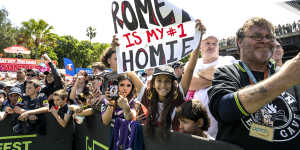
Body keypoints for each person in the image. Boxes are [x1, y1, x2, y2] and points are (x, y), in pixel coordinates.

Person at [208, 17, 300, 150]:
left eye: (269, 36)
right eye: (257, 36)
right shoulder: (227, 72)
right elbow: (225, 110)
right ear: (239, 42)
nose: (265, 40)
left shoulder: (288, 75)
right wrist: (284, 79)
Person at [127, 19, 206, 138]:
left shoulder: (178, 95)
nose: (163, 85)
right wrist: (119, 50)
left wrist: (198, 38)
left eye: (167, 81)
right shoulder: (146, 95)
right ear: (153, 83)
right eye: (159, 80)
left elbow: (189, 69)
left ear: (173, 83)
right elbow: (128, 70)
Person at [186, 35, 236, 138]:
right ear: (200, 47)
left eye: (214, 44)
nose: (211, 46)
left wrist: (199, 75)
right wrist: (218, 80)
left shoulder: (228, 60)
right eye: (207, 43)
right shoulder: (192, 63)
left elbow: (221, 75)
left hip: (221, 122)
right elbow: (190, 83)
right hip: (198, 122)